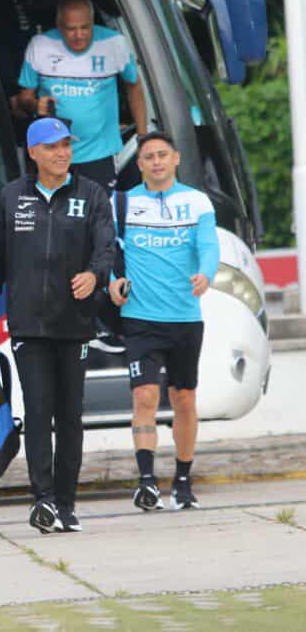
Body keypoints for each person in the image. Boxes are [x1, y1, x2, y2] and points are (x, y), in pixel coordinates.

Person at [0, 118, 115, 534]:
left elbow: (106, 247)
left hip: (76, 326)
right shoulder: (12, 198)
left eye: (66, 145)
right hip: (29, 326)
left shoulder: (92, 195)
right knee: (37, 412)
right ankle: (44, 500)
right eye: (52, 147)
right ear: (33, 153)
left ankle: (67, 504)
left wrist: (94, 275)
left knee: (70, 416)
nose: (62, 153)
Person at [109, 132, 219, 512]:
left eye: (162, 155)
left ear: (175, 159)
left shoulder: (197, 201)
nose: (156, 161)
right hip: (140, 317)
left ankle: (183, 481)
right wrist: (112, 284)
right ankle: (146, 482)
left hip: (185, 317)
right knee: (144, 396)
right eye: (148, 157)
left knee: (184, 398)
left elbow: (208, 246)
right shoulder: (122, 202)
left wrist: (206, 274)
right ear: (138, 164)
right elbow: (108, 251)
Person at [17, 0, 148, 193]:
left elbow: (134, 86)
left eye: (85, 27)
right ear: (59, 26)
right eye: (71, 28)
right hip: (52, 153)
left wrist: (143, 136)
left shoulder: (114, 44)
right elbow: (23, 99)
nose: (79, 35)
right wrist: (35, 105)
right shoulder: (40, 45)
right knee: (53, 217)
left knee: (96, 217)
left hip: (98, 154)